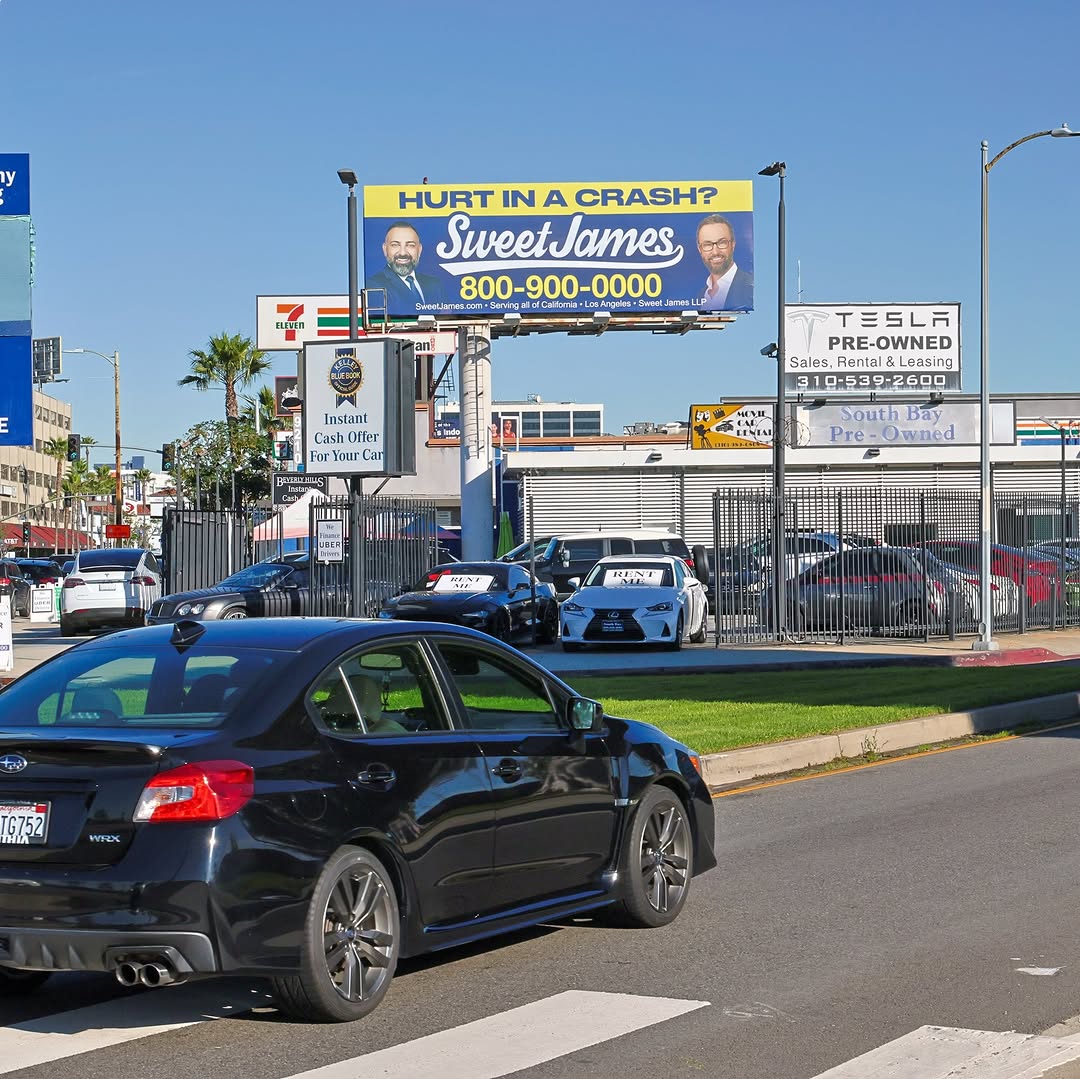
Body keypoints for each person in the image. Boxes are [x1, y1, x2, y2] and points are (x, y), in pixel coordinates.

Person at [365, 221, 446, 310]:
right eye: (395, 245)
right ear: (385, 249)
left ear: (419, 249)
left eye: (410, 245)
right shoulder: (374, 285)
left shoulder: (434, 284)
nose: (403, 253)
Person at [696, 214, 753, 311]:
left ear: (733, 244)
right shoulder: (701, 295)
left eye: (722, 243)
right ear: (699, 249)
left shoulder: (749, 286)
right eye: (707, 244)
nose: (715, 252)